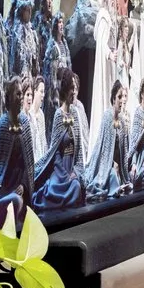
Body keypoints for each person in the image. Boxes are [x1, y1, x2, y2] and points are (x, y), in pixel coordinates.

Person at [34, 68, 90, 212]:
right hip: (60, 171)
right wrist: (64, 175)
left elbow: (78, 154)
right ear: (65, 90)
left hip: (72, 169)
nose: (74, 92)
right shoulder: (58, 116)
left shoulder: (76, 115)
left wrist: (76, 173)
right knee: (52, 190)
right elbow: (55, 153)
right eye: (71, 88)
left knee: (76, 187)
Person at [0, 74, 36, 228]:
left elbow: (28, 164)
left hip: (19, 188)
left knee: (20, 201)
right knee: (15, 201)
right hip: (3, 191)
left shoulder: (24, 123)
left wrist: (23, 184)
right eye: (18, 93)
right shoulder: (3, 125)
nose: (21, 97)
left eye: (22, 93)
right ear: (9, 97)